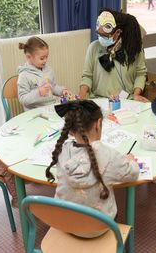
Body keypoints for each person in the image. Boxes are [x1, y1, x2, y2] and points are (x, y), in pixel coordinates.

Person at [45, 100, 139, 237]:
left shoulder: (61, 151)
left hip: (65, 223)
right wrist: (129, 160)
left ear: (71, 130)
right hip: (98, 228)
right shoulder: (109, 155)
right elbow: (133, 174)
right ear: (98, 124)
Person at [79, 8, 148, 102]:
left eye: (104, 36)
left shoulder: (134, 50)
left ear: (118, 32)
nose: (100, 38)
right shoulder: (93, 47)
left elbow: (141, 74)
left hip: (126, 101)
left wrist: (136, 94)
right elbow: (87, 76)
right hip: (98, 99)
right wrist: (81, 100)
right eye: (99, 34)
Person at [17, 36, 69, 111]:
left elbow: (53, 87)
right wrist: (38, 92)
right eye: (42, 58)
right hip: (35, 111)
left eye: (46, 57)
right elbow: (22, 99)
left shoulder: (48, 70)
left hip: (51, 107)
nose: (45, 61)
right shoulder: (24, 75)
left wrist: (62, 91)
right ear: (29, 57)